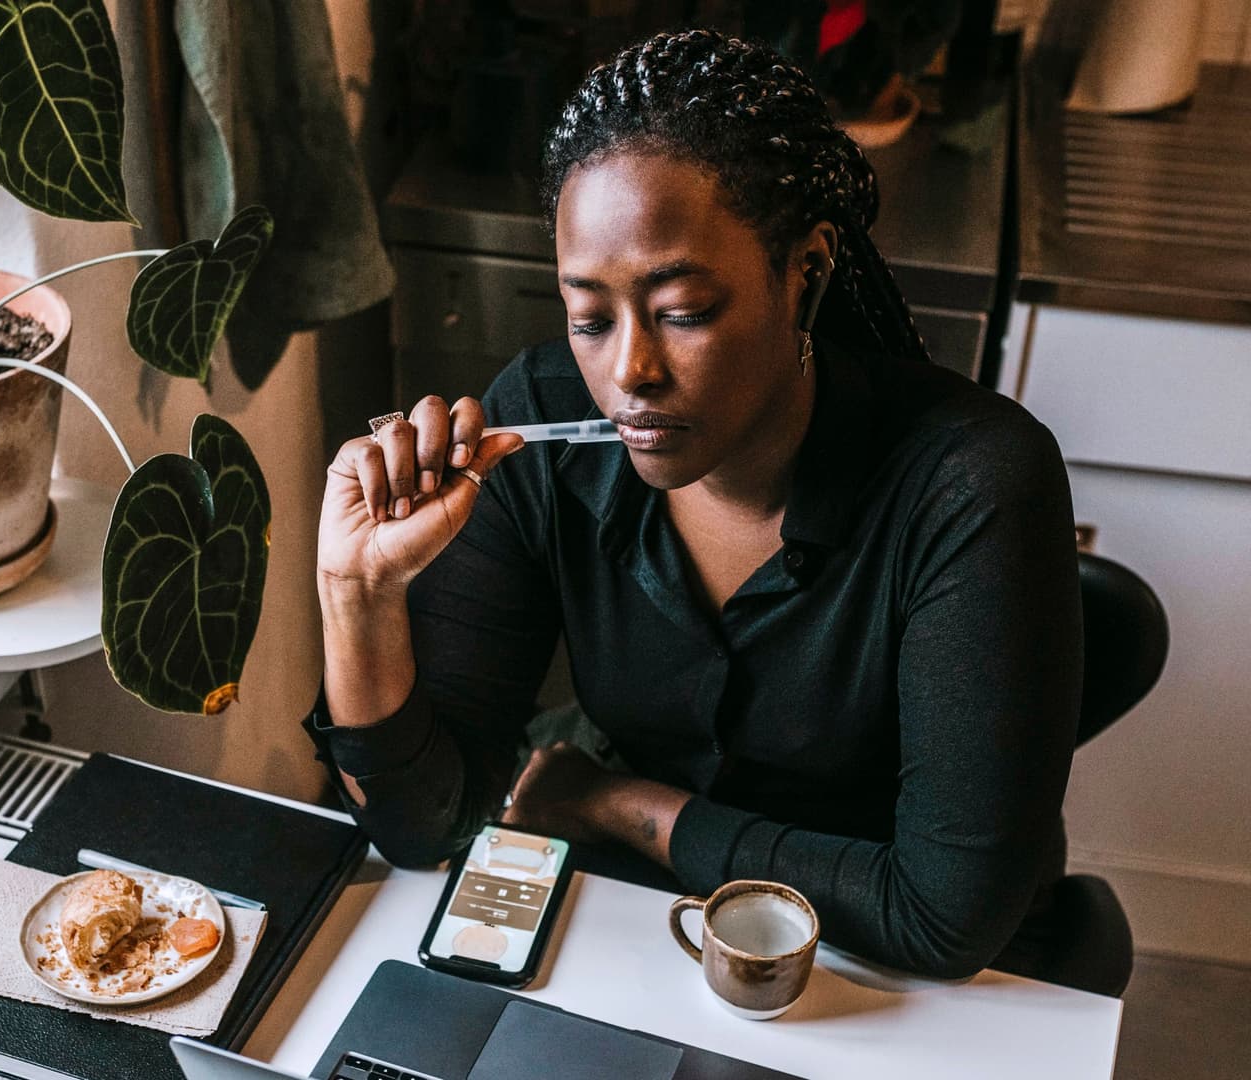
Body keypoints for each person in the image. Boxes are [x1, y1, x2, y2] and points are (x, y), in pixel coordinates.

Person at [306, 29, 1120, 993]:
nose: (628, 373)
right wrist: (356, 593)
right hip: (665, 931)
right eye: (589, 317)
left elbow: (942, 916)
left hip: (904, 983)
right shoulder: (535, 426)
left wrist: (619, 805)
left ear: (805, 274)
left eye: (684, 310)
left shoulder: (973, 482)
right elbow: (422, 828)